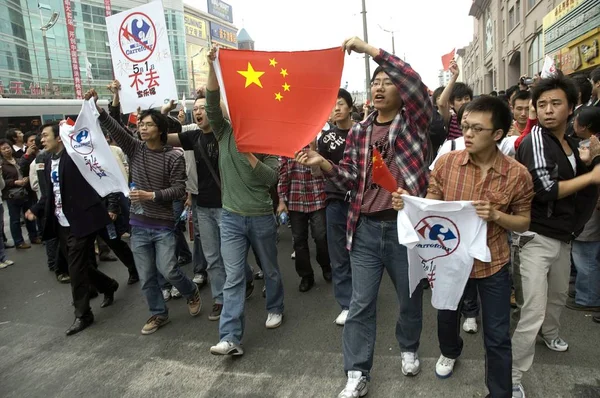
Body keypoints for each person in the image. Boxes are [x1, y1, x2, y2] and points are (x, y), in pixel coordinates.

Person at [296, 36, 431, 398]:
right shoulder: (359, 131)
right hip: (366, 229)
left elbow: (414, 81)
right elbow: (350, 178)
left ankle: (408, 347)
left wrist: (370, 51)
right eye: (375, 82)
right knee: (360, 304)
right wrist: (323, 164)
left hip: (405, 230)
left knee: (409, 299)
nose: (380, 87)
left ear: (402, 91)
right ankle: (357, 372)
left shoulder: (415, 121)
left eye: (388, 82)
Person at [394, 95, 534, 397]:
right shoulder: (446, 163)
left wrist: (497, 216)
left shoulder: (517, 175)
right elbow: (432, 203)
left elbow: (523, 222)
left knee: (497, 335)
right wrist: (408, 204)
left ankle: (500, 391)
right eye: (466, 126)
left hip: (492, 263)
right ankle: (450, 351)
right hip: (450, 260)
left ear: (497, 134)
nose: (467, 134)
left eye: (476, 129)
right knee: (446, 315)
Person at [511, 77, 600, 398]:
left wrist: (587, 163)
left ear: (572, 107)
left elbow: (574, 184)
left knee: (559, 295)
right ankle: (512, 376)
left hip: (563, 235)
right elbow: (544, 189)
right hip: (535, 235)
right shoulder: (536, 139)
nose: (548, 111)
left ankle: (551, 333)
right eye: (542, 105)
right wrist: (590, 175)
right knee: (532, 308)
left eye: (556, 103)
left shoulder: (571, 143)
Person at [89, 89, 202, 335]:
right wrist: (97, 107)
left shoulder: (174, 156)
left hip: (162, 224)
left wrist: (151, 195)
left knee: (169, 269)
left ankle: (190, 291)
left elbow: (179, 190)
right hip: (138, 224)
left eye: (148, 125)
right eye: (141, 125)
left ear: (160, 130)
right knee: (147, 275)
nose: (142, 128)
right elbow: (115, 127)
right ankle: (158, 314)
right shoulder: (135, 148)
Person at [204, 46, 284, 357]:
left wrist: (249, 151)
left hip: (262, 216)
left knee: (271, 269)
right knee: (234, 276)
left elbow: (271, 179)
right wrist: (213, 66)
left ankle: (275, 306)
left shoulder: (267, 139)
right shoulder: (223, 131)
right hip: (231, 217)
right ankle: (230, 337)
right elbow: (212, 103)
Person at [26, 121, 119, 336]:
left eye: (45, 135)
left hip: (82, 220)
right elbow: (50, 193)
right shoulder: (49, 160)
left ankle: (83, 314)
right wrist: (36, 209)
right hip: (62, 222)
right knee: (80, 266)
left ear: (59, 137)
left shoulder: (75, 157)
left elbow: (92, 150)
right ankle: (108, 285)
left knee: (75, 270)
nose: (42, 139)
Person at [317, 88, 355, 325]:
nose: (337, 108)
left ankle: (362, 296)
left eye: (340, 103)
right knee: (339, 255)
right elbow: (318, 170)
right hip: (334, 201)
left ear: (350, 107)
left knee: (360, 253)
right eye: (332, 105)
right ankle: (346, 303)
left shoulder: (363, 133)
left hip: (361, 202)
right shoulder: (325, 139)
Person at [567, 106, 600, 312]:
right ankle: (585, 290)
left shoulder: (591, 147)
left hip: (591, 209)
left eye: (576, 120)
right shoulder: (588, 143)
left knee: (586, 253)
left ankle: (588, 298)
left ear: (585, 127)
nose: (573, 123)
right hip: (589, 208)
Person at [0, 139, 40, 249]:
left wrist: (26, 178)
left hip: (24, 191)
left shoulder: (18, 160)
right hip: (11, 195)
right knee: (15, 219)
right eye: (3, 149)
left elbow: (25, 170)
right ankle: (18, 241)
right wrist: (14, 182)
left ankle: (34, 236)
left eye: (8, 147)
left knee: (29, 215)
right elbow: (2, 181)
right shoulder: (2, 164)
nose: (7, 150)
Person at [437, 60, 473, 140]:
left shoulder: (478, 117)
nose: (464, 102)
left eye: (467, 98)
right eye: (459, 99)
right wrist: (455, 75)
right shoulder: (450, 119)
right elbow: (442, 104)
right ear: (451, 103)